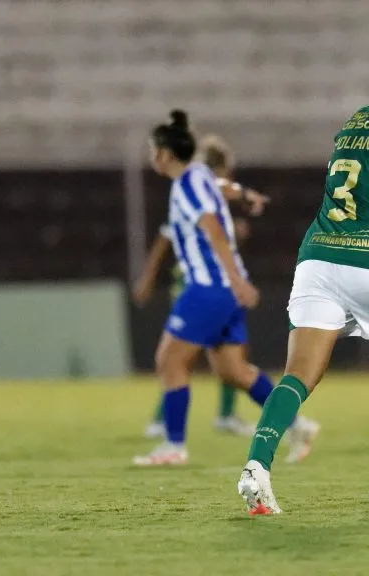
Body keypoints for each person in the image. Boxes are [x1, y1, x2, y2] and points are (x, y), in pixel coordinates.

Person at [235, 32, 369, 514]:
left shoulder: (357, 119)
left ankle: (256, 467)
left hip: (317, 258)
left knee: (299, 375)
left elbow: (363, 181)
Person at [133, 111, 318, 466]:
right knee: (233, 371)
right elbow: (221, 188)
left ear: (164, 154)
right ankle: (296, 424)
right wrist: (245, 194)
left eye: (153, 149)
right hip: (223, 290)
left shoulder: (186, 186)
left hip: (208, 288)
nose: (151, 155)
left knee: (169, 361)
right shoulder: (199, 175)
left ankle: (173, 446)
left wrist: (236, 281)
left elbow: (214, 229)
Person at [134, 134, 270, 438]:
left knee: (187, 358)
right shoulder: (196, 187)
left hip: (211, 287)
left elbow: (212, 227)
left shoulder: (196, 186)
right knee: (192, 358)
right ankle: (172, 424)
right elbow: (175, 237)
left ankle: (178, 433)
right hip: (202, 286)